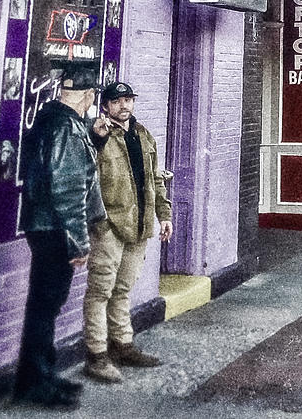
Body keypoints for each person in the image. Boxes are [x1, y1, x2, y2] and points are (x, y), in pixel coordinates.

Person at [14, 63, 105, 409]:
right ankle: (35, 384)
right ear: (88, 95)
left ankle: (39, 376)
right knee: (45, 306)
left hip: (47, 227)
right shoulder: (66, 127)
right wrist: (78, 241)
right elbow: (67, 188)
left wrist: (92, 137)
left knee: (44, 306)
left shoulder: (55, 120)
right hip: (55, 230)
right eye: (93, 96)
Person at [83, 81, 172, 383]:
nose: (124, 106)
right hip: (109, 227)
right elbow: (85, 175)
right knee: (100, 292)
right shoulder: (98, 135)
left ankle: (122, 345)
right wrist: (100, 222)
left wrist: (164, 214)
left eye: (128, 100)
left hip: (140, 225)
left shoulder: (144, 135)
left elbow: (156, 178)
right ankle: (96, 356)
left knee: (122, 290)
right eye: (116, 101)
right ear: (105, 106)